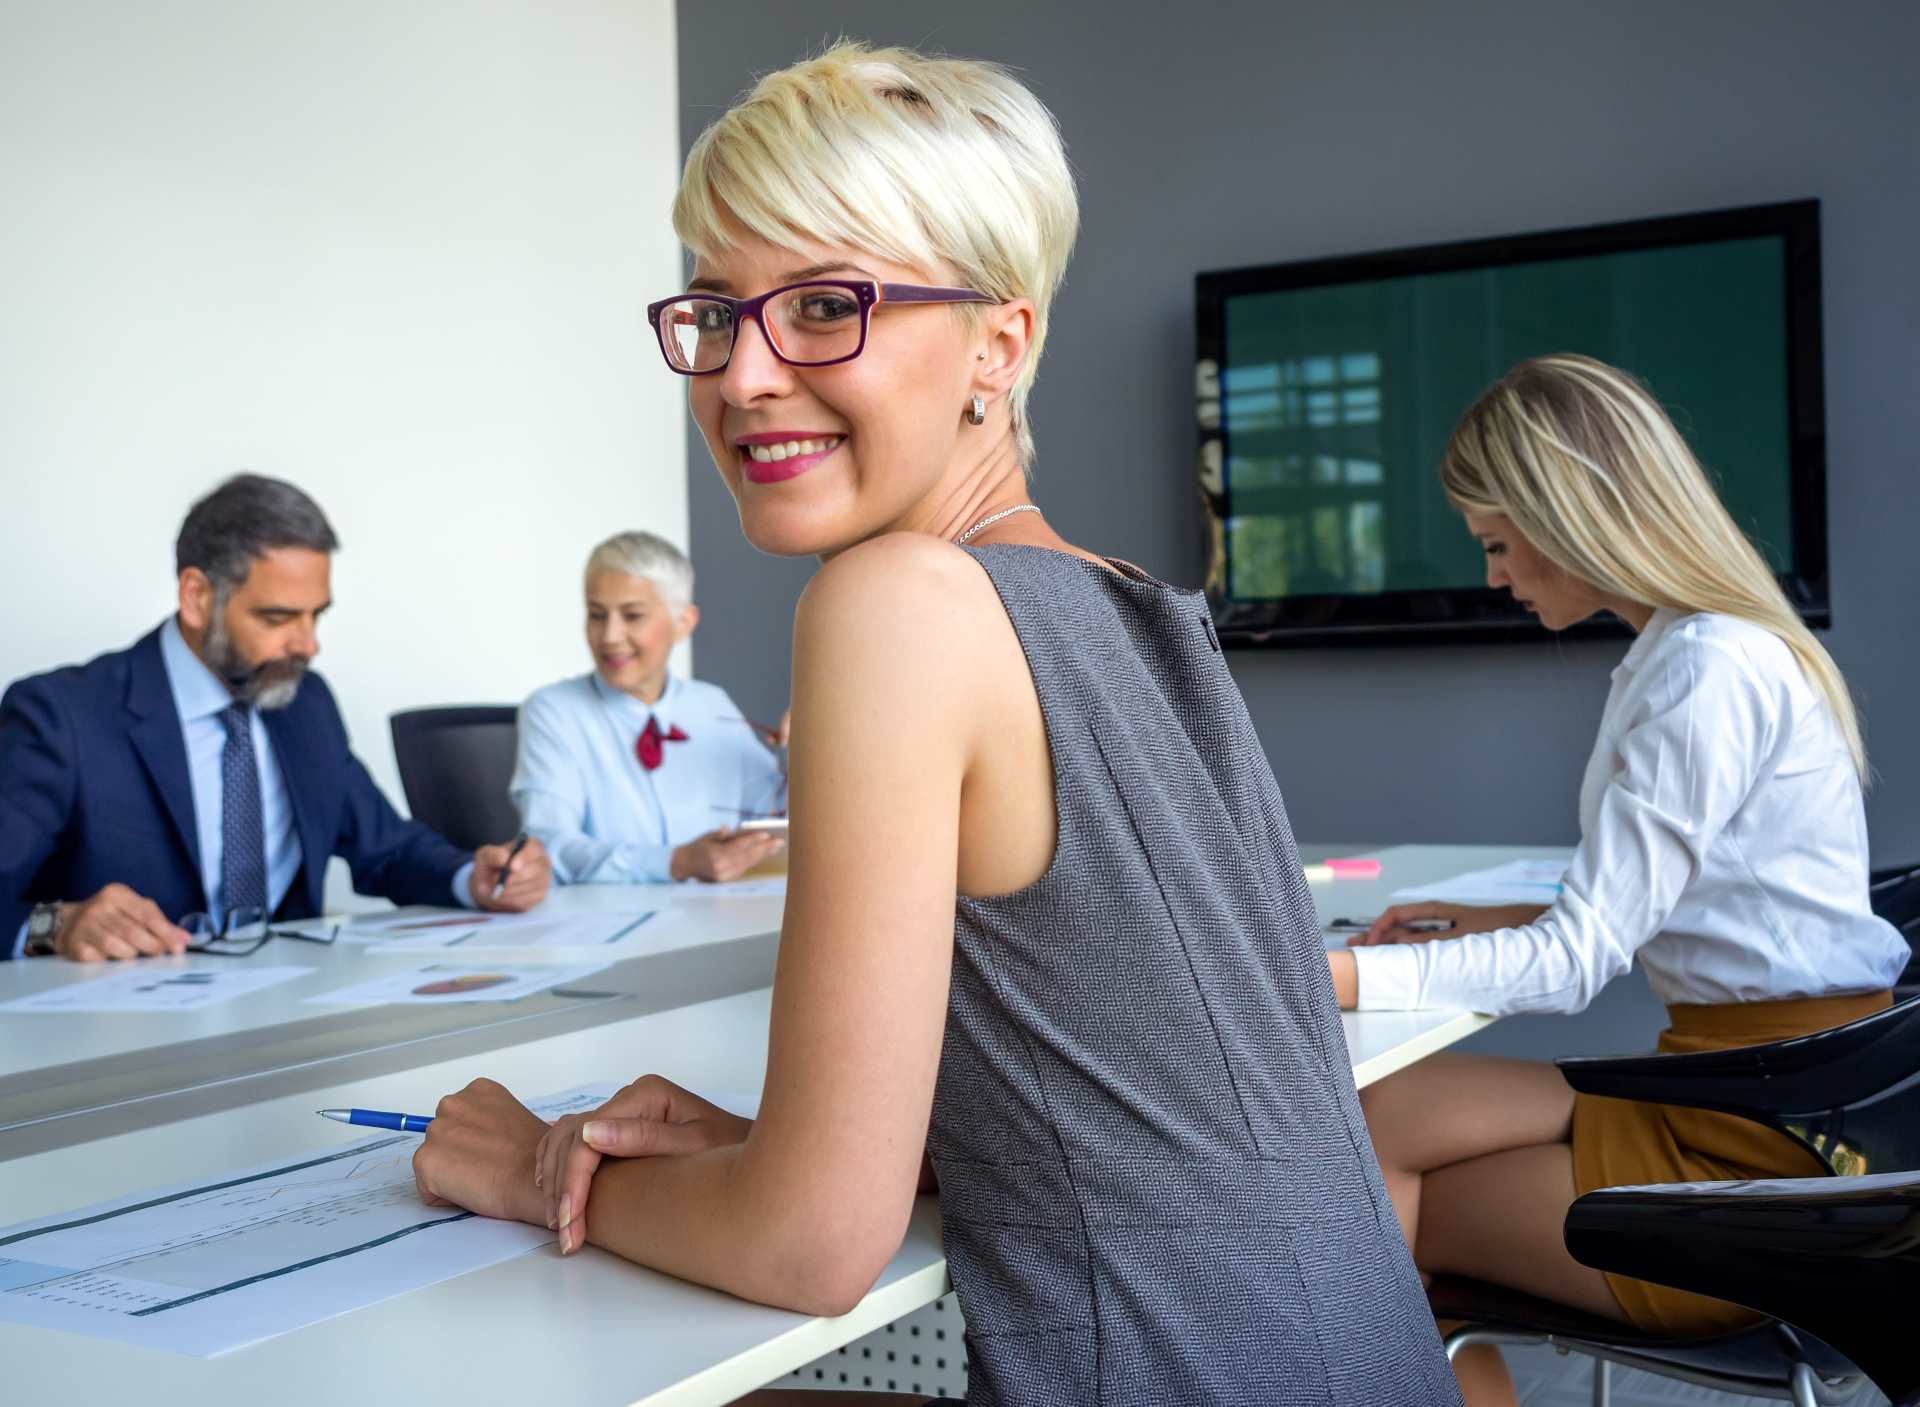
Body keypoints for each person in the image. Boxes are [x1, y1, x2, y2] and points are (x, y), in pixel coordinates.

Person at [411, 41, 1459, 1407]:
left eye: (827, 306)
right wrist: (811, 1141)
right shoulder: (1138, 611)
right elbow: (1172, 1095)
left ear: (998, 341)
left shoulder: (894, 604)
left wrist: (529, 1164)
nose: (743, 376)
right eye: (719, 315)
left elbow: (809, 1245)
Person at [1324, 354, 1908, 1406]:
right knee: (1357, 1129)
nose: (1495, 576)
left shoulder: (1705, 669)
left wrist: (1329, 979)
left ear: (1571, 517)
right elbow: (1671, 908)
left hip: (1764, 1155)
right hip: (1748, 1094)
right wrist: (1481, 920)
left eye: (1499, 543)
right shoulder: (1696, 651)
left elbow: (1576, 965)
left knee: (1359, 1211)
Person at [0, 473, 550, 961]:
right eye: (278, 617)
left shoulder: (303, 702)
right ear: (196, 596)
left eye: (317, 615)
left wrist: (471, 878)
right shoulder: (62, 717)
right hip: (115, 1038)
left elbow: (386, 847)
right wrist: (57, 924)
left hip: (283, 1019)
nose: (308, 644)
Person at [511, 531, 786, 885]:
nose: (609, 636)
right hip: (606, 925)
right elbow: (549, 846)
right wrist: (676, 862)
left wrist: (815, 748)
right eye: (596, 615)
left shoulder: (711, 703)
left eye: (633, 615)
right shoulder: (554, 711)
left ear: (683, 623)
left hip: (718, 917)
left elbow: (775, 815)